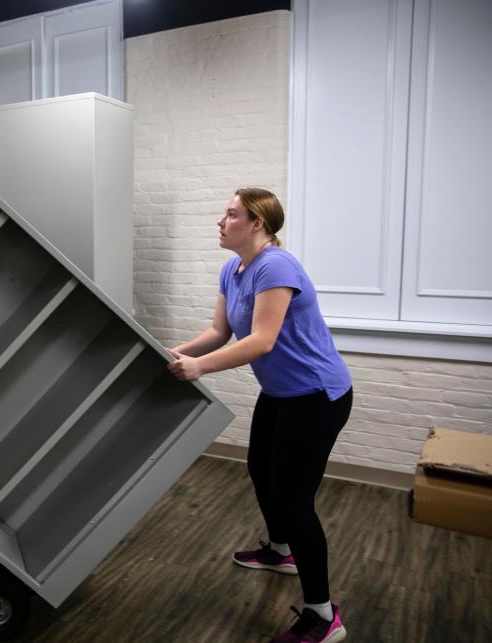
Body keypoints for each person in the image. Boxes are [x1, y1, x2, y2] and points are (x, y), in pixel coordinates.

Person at [167, 188, 352, 643]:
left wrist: (200, 369)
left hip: (317, 395)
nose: (220, 220)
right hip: (281, 393)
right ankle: (280, 550)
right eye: (224, 213)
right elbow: (220, 331)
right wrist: (174, 353)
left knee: (294, 499)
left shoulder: (276, 266)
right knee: (259, 469)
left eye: (231, 214)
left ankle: (324, 617)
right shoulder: (234, 268)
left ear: (257, 225)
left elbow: (262, 340)